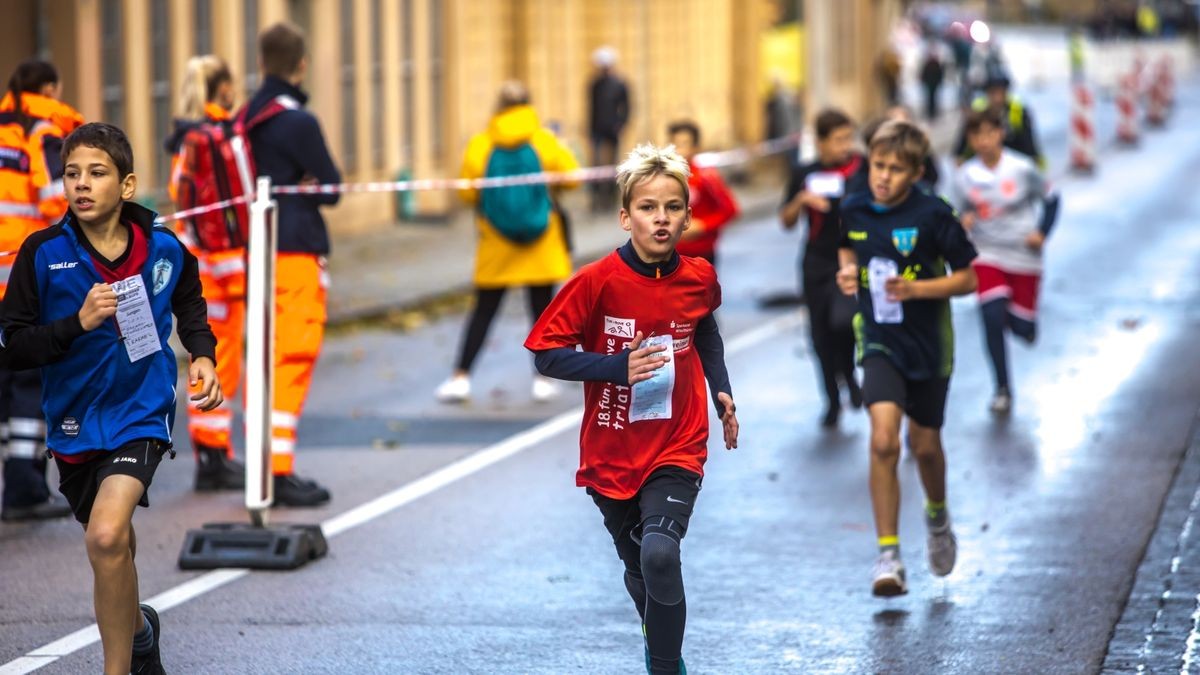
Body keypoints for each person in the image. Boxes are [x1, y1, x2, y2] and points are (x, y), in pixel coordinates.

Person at [0, 121, 221, 674]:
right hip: (73, 422)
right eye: (72, 173)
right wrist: (75, 324)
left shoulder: (163, 248)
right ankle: (141, 634)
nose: (81, 184)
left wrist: (202, 354)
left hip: (140, 412)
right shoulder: (42, 254)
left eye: (96, 173)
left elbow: (190, 299)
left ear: (126, 186)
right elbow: (14, 345)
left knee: (104, 535)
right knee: (113, 545)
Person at [525, 143, 738, 674]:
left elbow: (704, 326)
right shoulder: (595, 282)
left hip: (677, 442)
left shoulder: (699, 277)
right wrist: (614, 367)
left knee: (661, 554)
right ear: (626, 217)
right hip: (612, 447)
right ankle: (657, 632)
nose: (660, 218)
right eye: (647, 207)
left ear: (688, 217)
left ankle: (666, 666)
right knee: (640, 568)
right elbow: (546, 357)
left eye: (672, 207)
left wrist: (721, 390)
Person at [835, 120, 978, 596]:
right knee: (882, 441)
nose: (883, 176)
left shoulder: (935, 214)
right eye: (878, 166)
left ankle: (937, 518)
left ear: (916, 172)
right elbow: (845, 248)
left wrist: (916, 288)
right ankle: (889, 555)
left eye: (896, 170)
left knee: (926, 447)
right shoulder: (854, 208)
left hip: (929, 344)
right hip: (878, 339)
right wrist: (848, 273)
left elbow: (968, 279)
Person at [241, 22, 341, 506]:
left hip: (252, 251)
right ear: (301, 64)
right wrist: (305, 182)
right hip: (296, 250)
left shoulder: (245, 117)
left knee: (260, 356)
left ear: (262, 63)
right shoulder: (297, 121)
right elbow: (333, 186)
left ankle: (258, 466)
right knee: (293, 356)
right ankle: (277, 471)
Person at [435, 81, 580, 404]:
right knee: (542, 312)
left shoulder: (481, 144)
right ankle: (543, 378)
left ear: (497, 107)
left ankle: (461, 377)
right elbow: (572, 176)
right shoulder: (544, 140)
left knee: (484, 310)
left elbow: (467, 191)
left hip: (496, 242)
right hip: (540, 241)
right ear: (529, 105)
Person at [0, 58, 83, 521]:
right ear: (50, 87)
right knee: (31, 374)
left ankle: (16, 480)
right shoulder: (41, 130)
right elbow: (57, 197)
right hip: (22, 275)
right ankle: (26, 486)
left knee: (5, 379)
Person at [163, 54, 245, 492]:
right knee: (219, 362)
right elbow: (223, 216)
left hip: (198, 269)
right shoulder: (212, 138)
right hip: (218, 271)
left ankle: (212, 452)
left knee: (205, 359)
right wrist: (239, 272)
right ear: (224, 89)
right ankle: (214, 457)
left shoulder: (187, 139)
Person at [951, 108, 1050, 414]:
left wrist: (1041, 232)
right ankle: (1002, 388)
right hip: (986, 251)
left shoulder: (1021, 168)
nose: (983, 141)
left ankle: (1025, 324)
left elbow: (1051, 199)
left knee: (1022, 329)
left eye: (989, 133)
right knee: (991, 316)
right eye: (976, 135)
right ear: (970, 139)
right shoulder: (965, 175)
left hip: (1023, 254)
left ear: (1000, 134)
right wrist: (963, 220)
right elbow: (958, 212)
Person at [781, 109, 867, 428]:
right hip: (816, 260)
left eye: (848, 138)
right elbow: (786, 221)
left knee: (844, 323)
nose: (844, 145)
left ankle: (849, 374)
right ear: (820, 142)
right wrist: (802, 200)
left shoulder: (863, 167)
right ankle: (831, 399)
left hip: (849, 259)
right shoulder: (805, 172)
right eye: (838, 139)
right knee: (819, 334)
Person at [667, 120, 739, 266]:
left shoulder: (706, 176)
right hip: (670, 254)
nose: (677, 150)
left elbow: (731, 210)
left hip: (701, 254)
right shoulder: (663, 178)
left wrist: (703, 225)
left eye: (683, 144)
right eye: (674, 145)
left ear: (695, 148)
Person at [861, 105, 941, 193]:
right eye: (879, 165)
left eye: (896, 169)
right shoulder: (854, 202)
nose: (885, 176)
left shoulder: (932, 203)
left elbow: (933, 177)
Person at [588, 46, 630, 212]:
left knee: (613, 163)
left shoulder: (619, 84)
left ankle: (611, 195)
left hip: (612, 128)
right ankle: (597, 196)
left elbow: (626, 106)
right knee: (596, 163)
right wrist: (590, 128)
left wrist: (621, 124)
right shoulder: (595, 84)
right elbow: (592, 107)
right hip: (597, 128)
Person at [920, 43, 946, 121]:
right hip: (930, 83)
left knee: (933, 98)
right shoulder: (930, 63)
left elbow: (940, 74)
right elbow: (924, 73)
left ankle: (932, 112)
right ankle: (931, 112)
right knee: (931, 98)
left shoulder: (935, 63)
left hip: (933, 83)